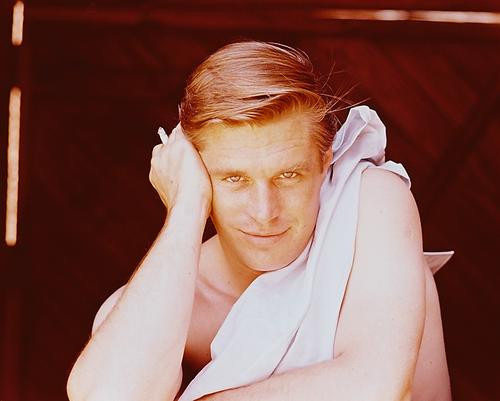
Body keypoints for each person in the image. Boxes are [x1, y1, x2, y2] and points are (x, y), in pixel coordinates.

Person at [67, 40, 452, 401]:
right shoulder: (160, 301)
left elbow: (376, 386)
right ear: (198, 173)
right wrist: (186, 207)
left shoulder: (373, 201)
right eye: (234, 179)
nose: (265, 211)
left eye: (289, 175)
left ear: (325, 161)